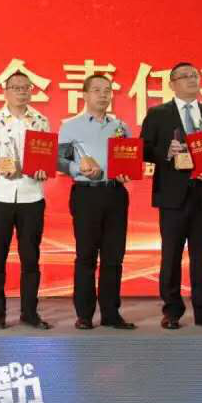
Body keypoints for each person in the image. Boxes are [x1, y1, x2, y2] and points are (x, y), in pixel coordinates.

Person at [140, 61, 202, 330]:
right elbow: (143, 148)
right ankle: (172, 310)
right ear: (172, 84)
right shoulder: (158, 114)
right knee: (171, 256)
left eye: (195, 75)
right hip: (172, 196)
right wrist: (165, 152)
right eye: (185, 76)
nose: (192, 79)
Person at [57, 74, 136, 331]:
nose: (103, 95)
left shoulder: (121, 126)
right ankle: (84, 314)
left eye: (107, 90)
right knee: (86, 256)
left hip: (115, 194)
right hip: (86, 195)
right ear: (85, 95)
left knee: (114, 257)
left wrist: (126, 171)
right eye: (97, 90)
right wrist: (76, 167)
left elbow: (129, 158)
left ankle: (111, 313)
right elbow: (59, 160)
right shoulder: (71, 126)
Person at [0, 70, 52, 330]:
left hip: (32, 196)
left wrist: (44, 169)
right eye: (16, 87)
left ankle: (29, 312)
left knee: (30, 258)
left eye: (26, 88)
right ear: (5, 91)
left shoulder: (41, 120)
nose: (21, 92)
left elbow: (46, 157)